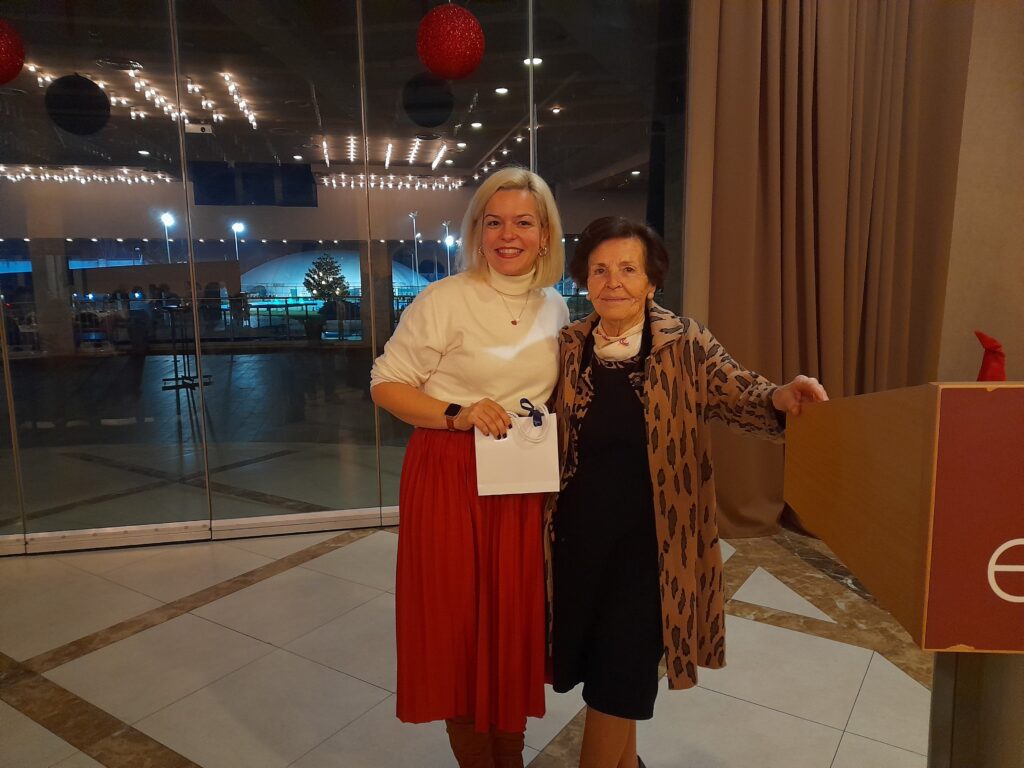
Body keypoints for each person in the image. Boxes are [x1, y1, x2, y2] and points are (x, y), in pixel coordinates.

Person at [547, 217, 828, 768]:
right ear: (584, 280)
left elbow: (742, 392)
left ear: (652, 281)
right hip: (579, 545)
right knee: (608, 675)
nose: (613, 282)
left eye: (628, 269)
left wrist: (781, 396)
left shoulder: (683, 342)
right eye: (600, 270)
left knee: (618, 680)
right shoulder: (568, 346)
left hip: (655, 548)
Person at [370, 167, 570, 768]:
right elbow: (386, 384)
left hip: (520, 478)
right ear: (478, 231)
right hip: (450, 471)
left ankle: (509, 758)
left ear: (545, 234)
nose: (508, 235)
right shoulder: (444, 298)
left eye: (523, 222)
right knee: (458, 625)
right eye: (494, 222)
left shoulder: (555, 305)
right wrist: (457, 413)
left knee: (513, 624)